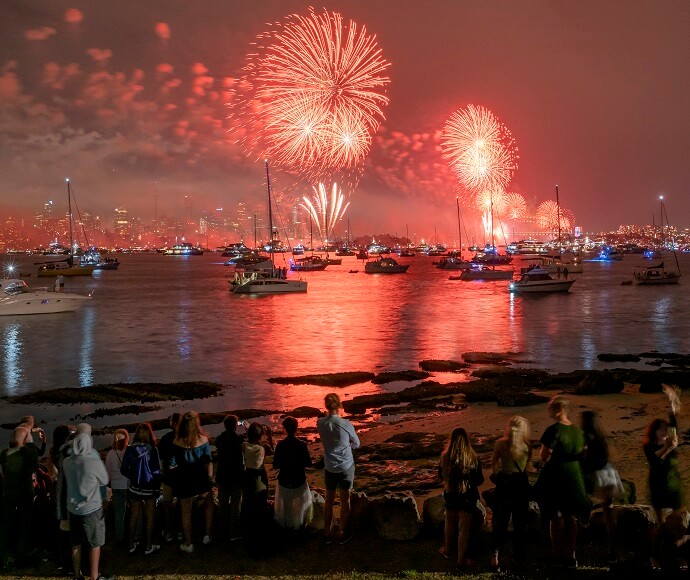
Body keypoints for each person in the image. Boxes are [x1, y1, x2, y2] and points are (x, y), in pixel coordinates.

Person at [536, 395, 590, 569]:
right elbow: (584, 453)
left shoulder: (553, 430)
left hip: (556, 476)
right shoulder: (576, 431)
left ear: (557, 409)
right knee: (570, 516)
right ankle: (570, 554)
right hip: (574, 476)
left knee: (555, 515)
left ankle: (556, 553)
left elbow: (545, 455)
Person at [643, 384, 684, 571]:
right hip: (658, 485)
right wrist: (668, 447)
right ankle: (654, 556)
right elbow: (654, 462)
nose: (664, 432)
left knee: (680, 520)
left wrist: (672, 400)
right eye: (661, 430)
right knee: (659, 524)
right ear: (654, 432)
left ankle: (674, 554)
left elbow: (674, 420)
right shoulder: (649, 446)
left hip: (673, 483)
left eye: (665, 429)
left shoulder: (671, 440)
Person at [62, 432, 109, 580]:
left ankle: (77, 575)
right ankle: (94, 576)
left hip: (73, 508)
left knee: (76, 543)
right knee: (95, 543)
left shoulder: (67, 462)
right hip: (92, 508)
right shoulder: (93, 462)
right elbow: (104, 480)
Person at [490, 416, 532, 572]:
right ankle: (518, 558)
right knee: (520, 523)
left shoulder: (500, 444)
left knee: (500, 521)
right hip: (521, 484)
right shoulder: (526, 446)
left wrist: (496, 477)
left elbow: (494, 464)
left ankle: (495, 555)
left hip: (505, 484)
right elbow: (528, 467)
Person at [317, 393, 360, 544]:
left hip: (330, 467)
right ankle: (343, 532)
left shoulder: (320, 423)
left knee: (329, 500)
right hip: (345, 465)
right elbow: (356, 443)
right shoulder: (346, 424)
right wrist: (348, 446)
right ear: (339, 405)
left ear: (326, 406)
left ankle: (327, 531)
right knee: (345, 500)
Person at [438, 427, 484, 570]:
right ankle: (460, 559)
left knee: (449, 522)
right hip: (467, 497)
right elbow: (479, 480)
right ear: (466, 440)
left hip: (451, 495)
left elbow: (440, 475)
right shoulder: (472, 457)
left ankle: (447, 549)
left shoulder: (445, 457)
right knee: (464, 529)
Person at [169, 411, 214, 553]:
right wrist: (210, 477)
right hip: (200, 478)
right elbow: (208, 461)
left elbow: (171, 464)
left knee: (186, 512)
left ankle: (188, 543)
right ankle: (207, 534)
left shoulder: (176, 442)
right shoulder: (204, 440)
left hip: (184, 480)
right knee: (209, 503)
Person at [581, 411, 621, 562]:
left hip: (597, 475)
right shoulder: (600, 436)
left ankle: (589, 535)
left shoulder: (586, 436)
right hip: (608, 472)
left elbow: (584, 457)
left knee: (584, 502)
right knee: (609, 513)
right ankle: (612, 549)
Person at [0, 426, 41, 568]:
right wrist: (30, 442)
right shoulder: (28, 453)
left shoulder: (4, 453)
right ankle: (21, 559)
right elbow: (35, 466)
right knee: (24, 526)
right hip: (24, 493)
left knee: (5, 526)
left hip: (8, 493)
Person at [121, 423, 161, 555]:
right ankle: (149, 546)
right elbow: (156, 470)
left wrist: (133, 477)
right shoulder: (153, 449)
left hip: (135, 488)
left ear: (137, 433)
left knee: (133, 515)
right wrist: (157, 486)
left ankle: (131, 544)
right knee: (150, 517)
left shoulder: (130, 449)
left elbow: (123, 469)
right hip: (149, 487)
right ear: (149, 434)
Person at [273, 416, 313, 530]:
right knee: (301, 500)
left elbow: (276, 465)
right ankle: (299, 523)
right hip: (299, 479)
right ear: (296, 429)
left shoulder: (280, 445)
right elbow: (308, 463)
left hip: (284, 480)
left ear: (284, 428)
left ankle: (288, 524)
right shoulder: (302, 444)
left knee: (287, 503)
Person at [241, 422, 274, 547]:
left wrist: (247, 429)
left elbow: (247, 441)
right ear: (260, 435)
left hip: (248, 475)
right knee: (261, 501)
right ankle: (261, 528)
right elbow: (273, 451)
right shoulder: (263, 448)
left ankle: (248, 527)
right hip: (260, 475)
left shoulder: (244, 445)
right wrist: (269, 437)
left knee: (248, 501)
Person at [214, 415, 245, 541]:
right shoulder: (238, 439)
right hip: (236, 476)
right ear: (235, 426)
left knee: (223, 504)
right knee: (236, 505)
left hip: (222, 475)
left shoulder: (219, 438)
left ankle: (222, 530)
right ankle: (234, 531)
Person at [158, 412, 180, 542]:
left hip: (167, 477)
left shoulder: (165, 439)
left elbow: (161, 460)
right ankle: (179, 531)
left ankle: (168, 530)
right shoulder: (184, 438)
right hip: (180, 477)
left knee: (167, 503)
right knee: (180, 504)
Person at [105, 429, 129, 545]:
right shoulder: (128, 451)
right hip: (128, 485)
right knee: (136, 509)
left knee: (119, 512)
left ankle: (120, 536)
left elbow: (107, 473)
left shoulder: (110, 454)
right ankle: (137, 533)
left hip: (116, 486)